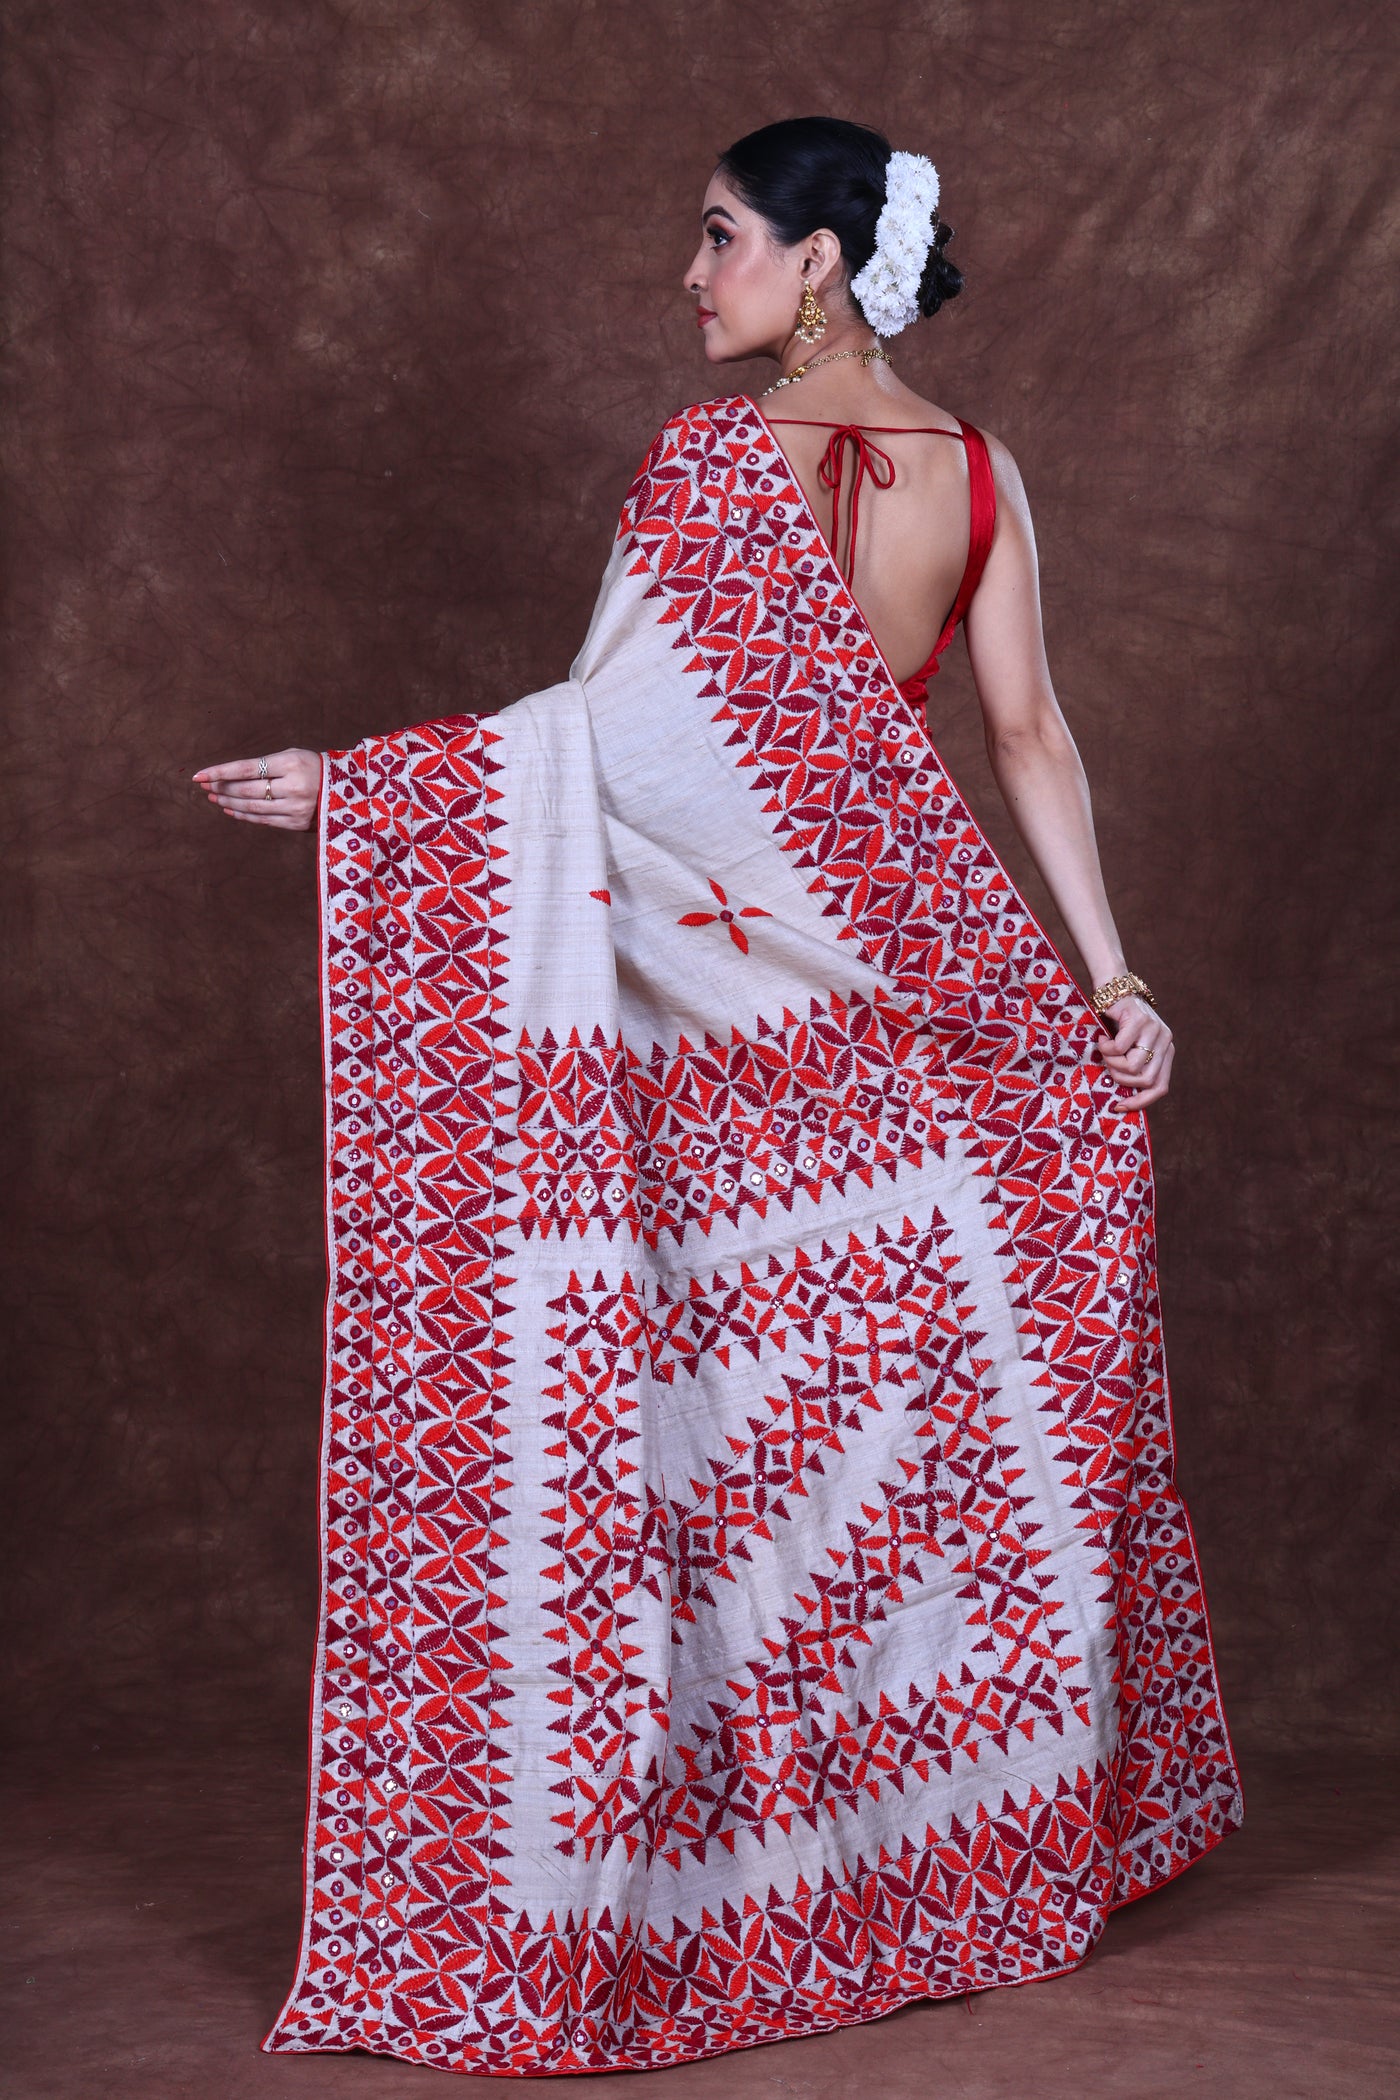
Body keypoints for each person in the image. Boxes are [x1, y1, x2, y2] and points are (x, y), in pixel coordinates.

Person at [195, 117, 1241, 2078]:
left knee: (712, 1426)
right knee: (885, 1438)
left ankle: (756, 1869)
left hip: (735, 1016)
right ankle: (939, 1854)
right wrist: (1108, 983)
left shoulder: (706, 467)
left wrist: (373, 790)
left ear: (820, 259)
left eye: (720, 238)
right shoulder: (981, 472)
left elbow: (604, 751)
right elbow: (1025, 731)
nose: (691, 277)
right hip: (914, 999)